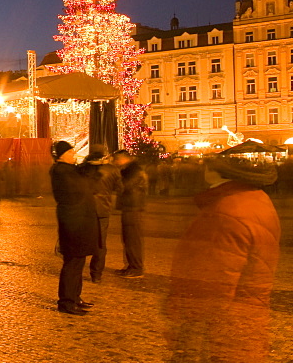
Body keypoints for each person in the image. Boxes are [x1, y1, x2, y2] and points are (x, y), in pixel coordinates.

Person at [165, 157, 280, 362]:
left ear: (216, 172)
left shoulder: (225, 211)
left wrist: (185, 317)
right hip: (250, 307)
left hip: (228, 317)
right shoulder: (254, 197)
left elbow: (215, 277)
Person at [50, 140, 100, 316]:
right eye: (71, 152)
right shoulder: (61, 172)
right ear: (62, 156)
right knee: (72, 264)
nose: (74, 155)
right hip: (73, 224)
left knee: (78, 262)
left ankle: (75, 297)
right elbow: (78, 189)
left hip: (80, 222)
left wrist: (91, 166)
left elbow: (87, 183)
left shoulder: (70, 170)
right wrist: (88, 168)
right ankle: (66, 302)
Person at [81, 150, 122, 283]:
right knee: (100, 243)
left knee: (80, 241)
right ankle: (96, 274)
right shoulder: (112, 170)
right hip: (102, 210)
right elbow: (120, 188)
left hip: (84, 210)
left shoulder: (82, 169)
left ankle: (76, 270)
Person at [112, 149, 147, 278]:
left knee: (133, 239)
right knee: (128, 239)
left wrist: (116, 177)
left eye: (116, 159)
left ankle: (137, 268)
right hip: (129, 207)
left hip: (133, 208)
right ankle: (131, 266)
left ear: (124, 158)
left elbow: (123, 185)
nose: (115, 162)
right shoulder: (130, 169)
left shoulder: (133, 170)